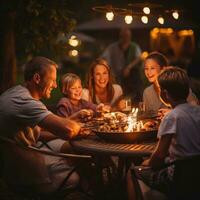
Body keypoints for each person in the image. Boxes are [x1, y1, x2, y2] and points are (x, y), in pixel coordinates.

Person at [0, 56, 85, 194]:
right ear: (37, 78)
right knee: (77, 174)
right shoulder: (25, 101)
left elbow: (42, 131)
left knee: (70, 150)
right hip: (25, 170)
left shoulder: (17, 92)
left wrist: (71, 119)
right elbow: (69, 130)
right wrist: (79, 126)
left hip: (18, 159)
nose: (55, 85)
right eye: (52, 80)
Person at [127, 66, 200, 200]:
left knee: (133, 172)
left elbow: (159, 155)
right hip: (196, 175)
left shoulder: (172, 116)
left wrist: (147, 163)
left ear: (165, 93)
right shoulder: (197, 111)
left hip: (178, 177)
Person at [143, 51, 198, 118]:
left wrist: (172, 112)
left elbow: (195, 110)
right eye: (146, 69)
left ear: (163, 68)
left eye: (152, 68)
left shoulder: (178, 86)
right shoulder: (147, 92)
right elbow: (147, 116)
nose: (148, 72)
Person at [101, 27, 144, 105]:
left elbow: (139, 58)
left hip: (133, 77)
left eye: (127, 36)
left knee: (135, 95)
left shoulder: (134, 46)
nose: (125, 38)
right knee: (121, 94)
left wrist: (129, 67)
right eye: (123, 36)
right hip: (118, 75)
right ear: (120, 36)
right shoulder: (113, 47)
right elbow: (104, 57)